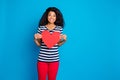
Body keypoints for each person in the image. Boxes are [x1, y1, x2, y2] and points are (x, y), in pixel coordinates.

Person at [34, 7, 67, 80]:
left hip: (54, 60)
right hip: (42, 60)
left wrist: (64, 40)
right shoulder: (41, 28)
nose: (51, 17)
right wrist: (35, 39)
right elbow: (39, 45)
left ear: (56, 17)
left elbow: (57, 44)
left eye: (54, 15)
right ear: (46, 16)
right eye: (50, 15)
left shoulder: (59, 29)